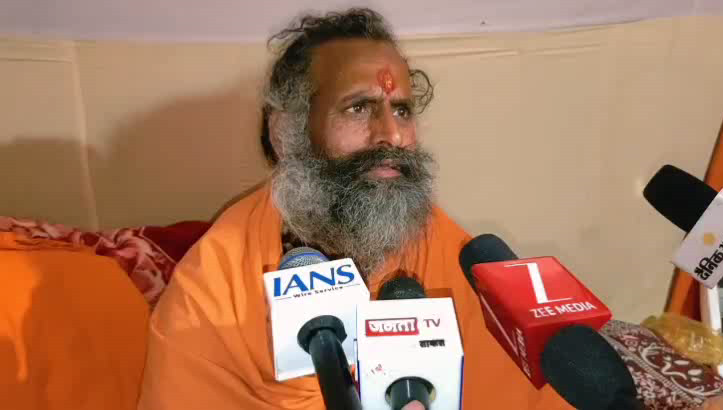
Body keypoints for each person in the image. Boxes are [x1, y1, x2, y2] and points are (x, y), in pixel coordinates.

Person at [137, 7, 572, 410]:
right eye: (359, 108)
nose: (392, 135)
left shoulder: (441, 245)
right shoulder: (212, 289)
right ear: (286, 132)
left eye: (402, 110)